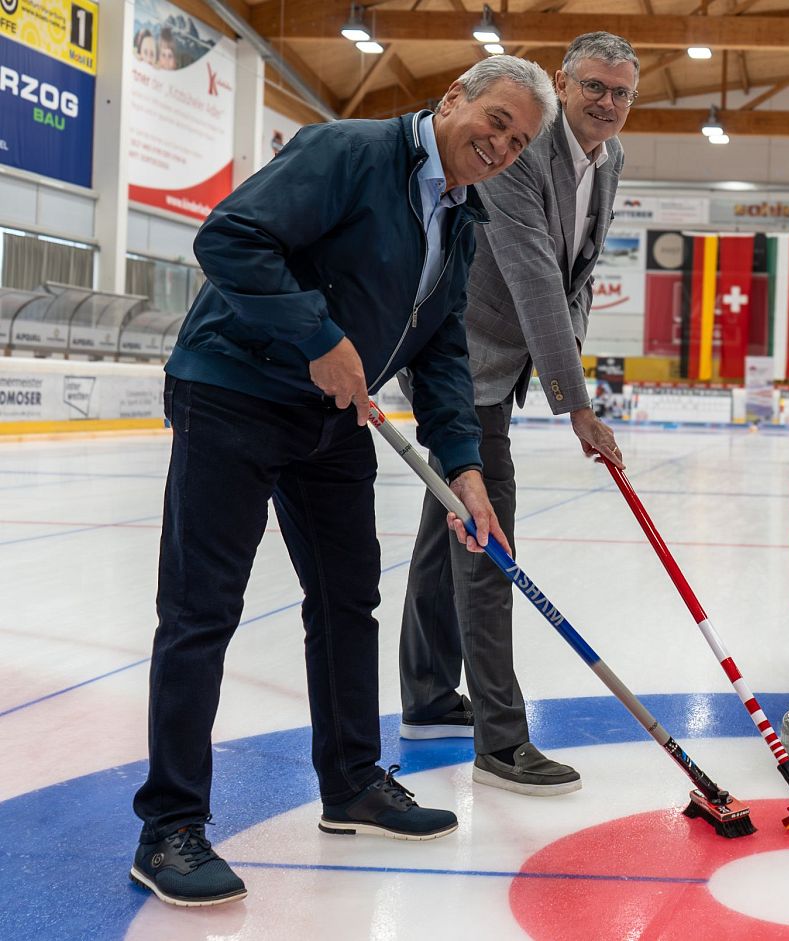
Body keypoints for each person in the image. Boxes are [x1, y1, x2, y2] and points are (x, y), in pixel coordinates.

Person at [129, 56, 556, 908]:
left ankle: (352, 781)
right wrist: (319, 335)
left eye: (520, 140)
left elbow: (439, 354)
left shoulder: (459, 218)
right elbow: (229, 238)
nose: (502, 145)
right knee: (201, 608)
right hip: (234, 394)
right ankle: (169, 826)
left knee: (347, 597)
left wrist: (464, 468)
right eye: (496, 121)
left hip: (330, 421)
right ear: (454, 99)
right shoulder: (350, 152)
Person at [398, 32, 634, 796]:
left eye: (621, 92)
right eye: (594, 86)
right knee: (487, 539)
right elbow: (532, 277)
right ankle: (501, 740)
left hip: (506, 364)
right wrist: (578, 404)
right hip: (458, 358)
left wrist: (566, 372)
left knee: (448, 529)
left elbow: (578, 274)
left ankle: (430, 697)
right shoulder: (522, 154)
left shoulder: (610, 161)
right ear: (563, 82)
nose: (607, 102)